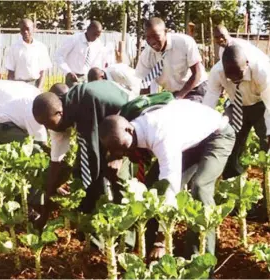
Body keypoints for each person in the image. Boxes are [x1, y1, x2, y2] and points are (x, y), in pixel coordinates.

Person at [99, 100, 235, 261]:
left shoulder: (162, 138)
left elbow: (170, 187)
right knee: (150, 188)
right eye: (115, 150)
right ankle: (150, 258)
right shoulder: (131, 128)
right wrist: (117, 155)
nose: (122, 152)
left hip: (216, 135)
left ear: (129, 129)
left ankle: (200, 263)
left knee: (200, 187)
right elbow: (117, 140)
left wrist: (161, 241)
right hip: (189, 139)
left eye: (122, 147)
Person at [32, 80, 130, 228]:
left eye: (49, 124)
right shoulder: (61, 114)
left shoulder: (85, 107)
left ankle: (120, 234)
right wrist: (45, 211)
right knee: (84, 169)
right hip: (106, 125)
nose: (47, 128)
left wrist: (118, 156)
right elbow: (56, 162)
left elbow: (93, 157)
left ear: (60, 113)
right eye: (44, 125)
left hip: (127, 125)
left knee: (116, 177)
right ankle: (90, 219)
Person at [204, 45, 270, 179]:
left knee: (266, 142)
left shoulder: (261, 70)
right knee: (230, 143)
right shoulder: (217, 72)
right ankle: (231, 178)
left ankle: (265, 177)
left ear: (247, 64)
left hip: (261, 105)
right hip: (237, 106)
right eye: (230, 77)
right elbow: (209, 101)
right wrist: (204, 130)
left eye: (239, 74)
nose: (235, 80)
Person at [136, 18, 207, 102]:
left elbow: (197, 73)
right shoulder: (147, 55)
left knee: (186, 112)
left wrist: (178, 97)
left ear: (165, 32)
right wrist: (143, 104)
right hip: (173, 94)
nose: (152, 41)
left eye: (156, 36)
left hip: (195, 89)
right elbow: (145, 84)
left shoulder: (184, 42)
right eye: (148, 37)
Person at [55, 21, 107, 87]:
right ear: (88, 29)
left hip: (88, 78)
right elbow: (59, 55)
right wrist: (68, 72)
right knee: (74, 96)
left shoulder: (98, 44)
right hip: (73, 77)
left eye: (98, 36)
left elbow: (96, 63)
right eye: (94, 34)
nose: (96, 38)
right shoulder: (74, 39)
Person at [5, 19, 52, 90]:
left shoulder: (41, 47)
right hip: (18, 86)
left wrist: (38, 89)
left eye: (27, 29)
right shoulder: (13, 48)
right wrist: (10, 89)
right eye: (22, 29)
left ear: (33, 29)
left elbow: (43, 72)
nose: (25, 32)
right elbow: (11, 72)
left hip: (35, 85)